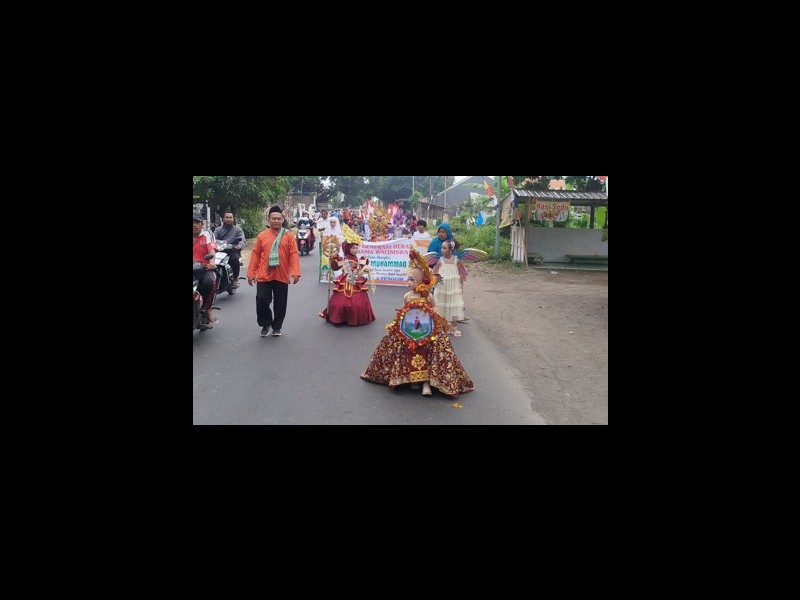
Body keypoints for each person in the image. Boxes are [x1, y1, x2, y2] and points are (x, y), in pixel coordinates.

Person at [360, 249, 473, 398]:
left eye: (412, 280)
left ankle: (426, 383)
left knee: (429, 353)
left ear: (420, 280)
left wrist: (432, 315)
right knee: (406, 352)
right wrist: (395, 323)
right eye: (408, 279)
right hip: (409, 331)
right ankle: (411, 379)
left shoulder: (428, 295)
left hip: (427, 331)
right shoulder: (407, 295)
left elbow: (435, 307)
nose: (408, 282)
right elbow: (402, 311)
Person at [247, 206, 302, 337]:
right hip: (264, 274)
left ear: (282, 220)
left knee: (280, 303)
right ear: (269, 219)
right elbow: (255, 255)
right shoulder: (262, 236)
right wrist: (251, 274)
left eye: (279, 219)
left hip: (281, 274)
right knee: (261, 299)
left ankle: (277, 327)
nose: (276, 221)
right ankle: (265, 324)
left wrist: (295, 272)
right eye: (274, 218)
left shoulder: (288, 236)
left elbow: (294, 254)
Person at [318, 225, 376, 326]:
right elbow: (335, 267)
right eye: (353, 248)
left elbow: (362, 268)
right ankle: (339, 317)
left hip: (355, 279)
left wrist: (364, 268)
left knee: (357, 301)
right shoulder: (342, 259)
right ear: (348, 248)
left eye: (357, 248)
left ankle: (355, 317)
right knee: (340, 300)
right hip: (345, 279)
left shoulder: (360, 259)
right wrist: (333, 260)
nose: (355, 250)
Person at [432, 240, 465, 336]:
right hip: (442, 287)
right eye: (441, 248)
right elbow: (436, 273)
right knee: (442, 306)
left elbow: (460, 274)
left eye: (444, 248)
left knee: (454, 305)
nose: (442, 250)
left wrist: (461, 286)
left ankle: (454, 328)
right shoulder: (440, 261)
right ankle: (442, 326)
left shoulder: (457, 260)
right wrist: (435, 285)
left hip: (454, 287)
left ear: (451, 249)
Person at [193, 213, 219, 325]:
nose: (194, 225)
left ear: (202, 224)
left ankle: (207, 308)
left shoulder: (207, 235)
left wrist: (211, 263)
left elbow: (211, 250)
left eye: (196, 222)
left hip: (203, 268)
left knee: (210, 282)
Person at [214, 212, 246, 288]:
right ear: (223, 219)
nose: (229, 219)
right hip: (220, 250)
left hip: (233, 250)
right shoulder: (218, 230)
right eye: (227, 217)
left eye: (230, 217)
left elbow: (242, 240)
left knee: (235, 259)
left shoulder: (238, 230)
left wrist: (239, 245)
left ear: (233, 219)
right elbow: (213, 239)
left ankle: (235, 279)